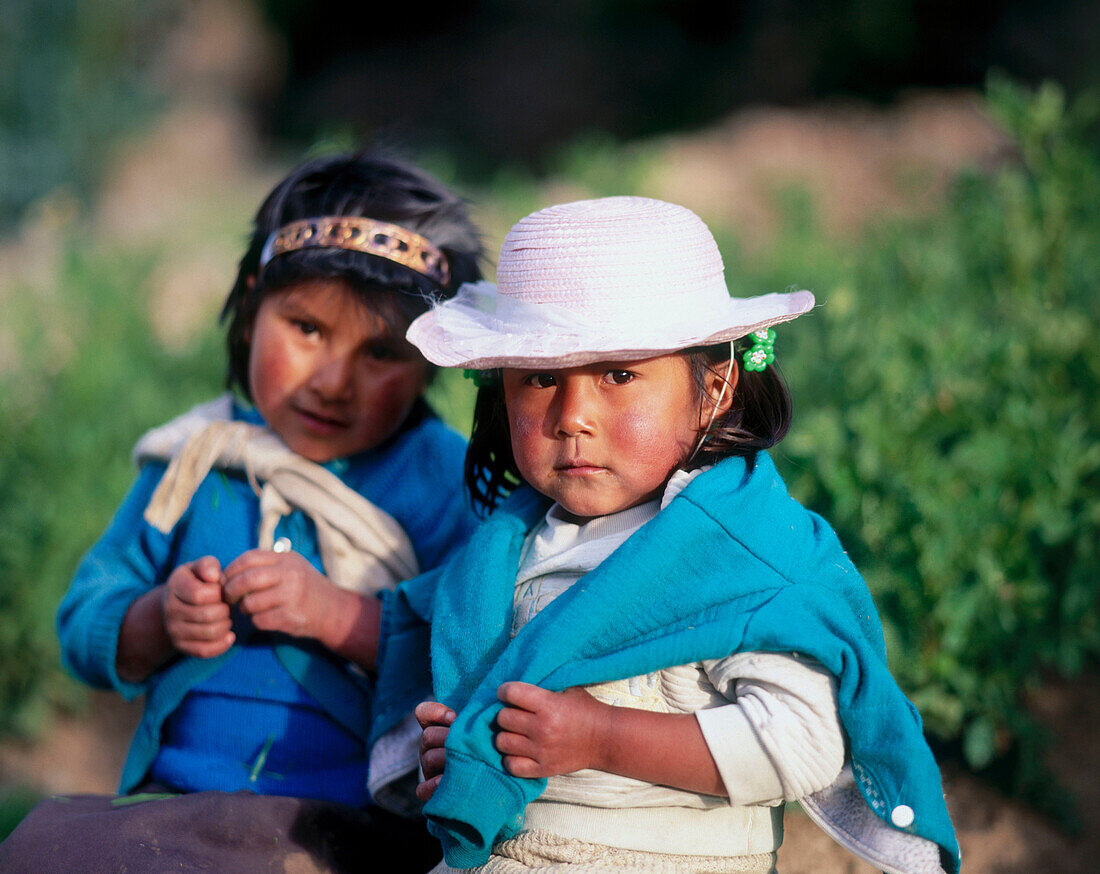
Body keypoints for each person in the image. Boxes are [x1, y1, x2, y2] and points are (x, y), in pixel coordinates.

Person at [371, 196, 961, 873]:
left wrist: (604, 737)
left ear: (715, 388)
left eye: (619, 374)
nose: (572, 417)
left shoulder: (737, 558)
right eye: (539, 378)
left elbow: (805, 744)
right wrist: (468, 749)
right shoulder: (504, 555)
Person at [0, 151, 483, 873]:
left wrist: (340, 619)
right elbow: (85, 620)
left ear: (433, 360)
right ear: (254, 302)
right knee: (41, 851)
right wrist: (159, 618)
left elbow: (477, 649)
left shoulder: (445, 481)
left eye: (380, 352)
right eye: (307, 329)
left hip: (347, 826)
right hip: (175, 809)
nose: (333, 381)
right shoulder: (197, 462)